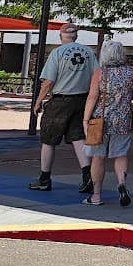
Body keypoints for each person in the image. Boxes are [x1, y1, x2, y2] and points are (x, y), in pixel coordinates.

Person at [79, 40, 133, 207]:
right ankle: (121, 183)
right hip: (124, 119)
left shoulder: (100, 73)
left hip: (99, 120)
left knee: (98, 157)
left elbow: (92, 97)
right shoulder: (132, 72)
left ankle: (96, 195)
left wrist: (85, 119)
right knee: (121, 155)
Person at [28, 23, 98, 193]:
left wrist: (38, 101)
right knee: (78, 138)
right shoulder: (88, 52)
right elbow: (98, 76)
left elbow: (49, 81)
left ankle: (44, 179)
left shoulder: (57, 53)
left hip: (60, 101)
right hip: (82, 100)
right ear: (76, 36)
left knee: (48, 139)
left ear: (61, 36)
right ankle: (87, 177)